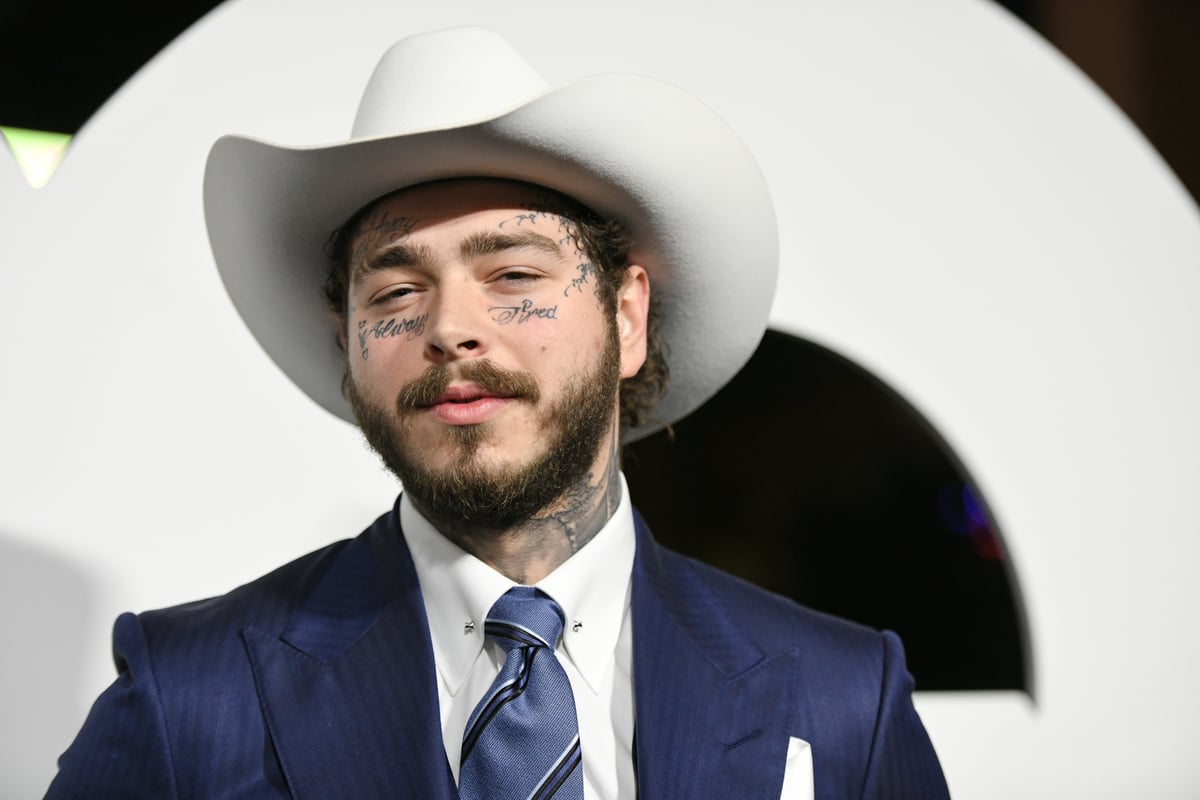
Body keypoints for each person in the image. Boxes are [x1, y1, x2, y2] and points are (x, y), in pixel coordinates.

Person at [47, 27, 949, 800]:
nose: (449, 329)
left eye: (514, 275)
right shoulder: (190, 698)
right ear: (348, 346)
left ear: (627, 317)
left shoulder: (839, 700)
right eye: (397, 291)